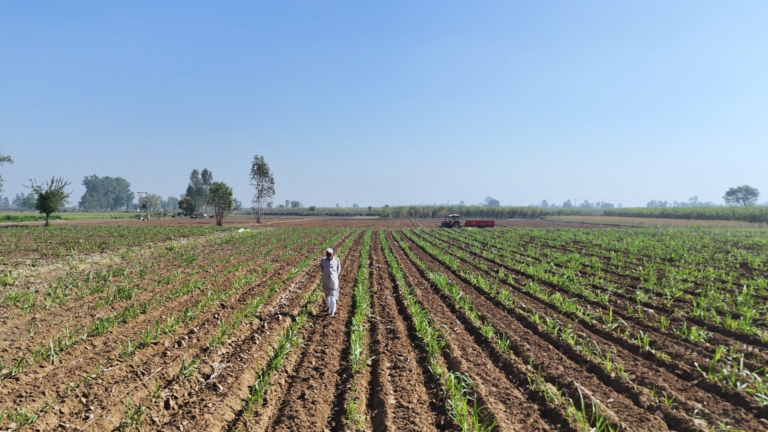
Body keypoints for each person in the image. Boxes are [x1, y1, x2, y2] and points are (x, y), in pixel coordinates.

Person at [319, 247, 341, 317]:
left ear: (332, 254)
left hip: (333, 281)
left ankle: (332, 312)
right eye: (328, 254)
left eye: (330, 254)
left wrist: (335, 276)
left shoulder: (336, 260)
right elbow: (322, 269)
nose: (329, 255)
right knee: (326, 295)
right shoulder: (323, 260)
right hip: (325, 280)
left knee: (332, 296)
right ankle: (328, 307)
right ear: (326, 254)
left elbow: (338, 269)